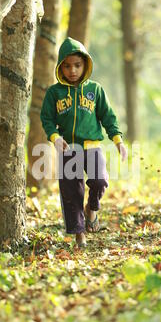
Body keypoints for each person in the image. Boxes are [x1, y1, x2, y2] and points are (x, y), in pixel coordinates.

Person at [40, 37, 127, 248]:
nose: (73, 70)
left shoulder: (95, 90)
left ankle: (92, 208)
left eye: (77, 65)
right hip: (68, 148)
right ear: (61, 66)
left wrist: (117, 140)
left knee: (99, 181)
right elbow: (47, 119)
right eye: (68, 66)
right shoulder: (54, 93)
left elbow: (108, 117)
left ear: (85, 65)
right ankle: (79, 233)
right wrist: (54, 137)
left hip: (92, 147)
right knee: (72, 193)